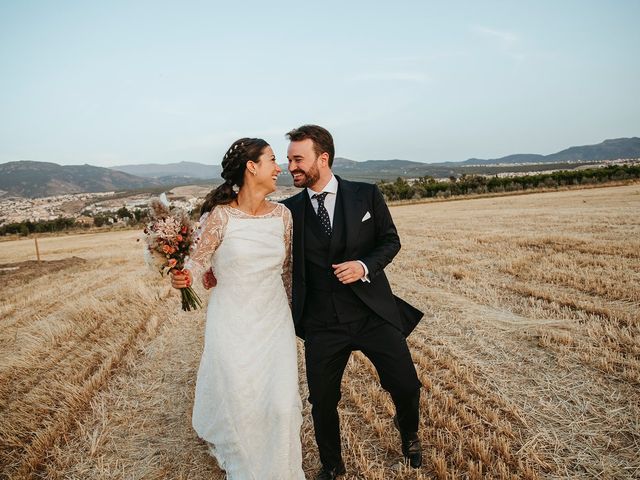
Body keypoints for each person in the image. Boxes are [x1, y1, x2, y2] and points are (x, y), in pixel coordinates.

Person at [282, 125, 423, 479]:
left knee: (406, 385)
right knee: (322, 403)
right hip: (321, 322)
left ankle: (409, 433)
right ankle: (332, 465)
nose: (291, 167)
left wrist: (364, 266)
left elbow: (390, 242)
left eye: (298, 159)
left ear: (323, 158)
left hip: (371, 313)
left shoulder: (366, 194)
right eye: (288, 160)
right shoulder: (287, 212)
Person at [170, 138, 305, 480]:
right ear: (251, 167)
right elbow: (198, 263)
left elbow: (288, 271)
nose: (280, 168)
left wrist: (295, 318)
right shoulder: (221, 216)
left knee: (281, 404)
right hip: (231, 321)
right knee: (242, 402)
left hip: (274, 320)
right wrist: (183, 277)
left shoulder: (283, 216)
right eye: (273, 160)